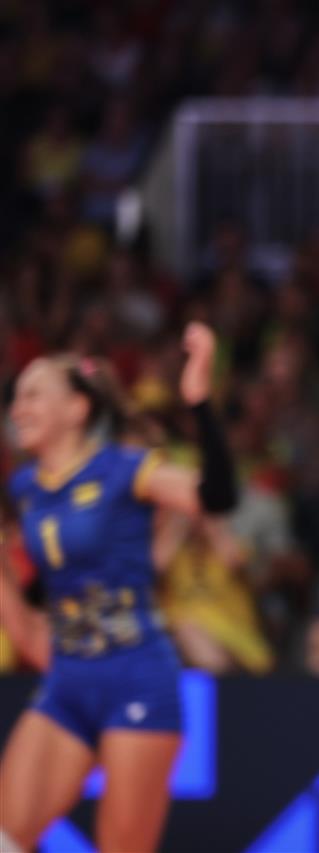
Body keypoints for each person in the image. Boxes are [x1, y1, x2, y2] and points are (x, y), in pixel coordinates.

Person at [0, 322, 236, 852]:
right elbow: (29, 596)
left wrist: (198, 402)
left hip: (135, 675)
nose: (17, 409)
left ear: (76, 408)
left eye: (33, 395)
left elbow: (216, 496)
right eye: (15, 397)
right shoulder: (26, 488)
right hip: (68, 677)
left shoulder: (124, 470)